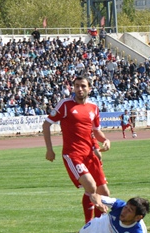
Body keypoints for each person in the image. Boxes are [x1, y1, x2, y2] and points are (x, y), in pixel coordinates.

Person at [43, 76, 112, 223]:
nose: (79, 89)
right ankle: (89, 225)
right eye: (76, 86)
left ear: (89, 89)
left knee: (104, 192)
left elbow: (96, 131)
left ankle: (98, 225)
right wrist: (49, 149)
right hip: (73, 154)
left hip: (90, 154)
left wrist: (105, 140)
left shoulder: (93, 107)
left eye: (83, 86)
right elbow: (46, 124)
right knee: (91, 186)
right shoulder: (66, 105)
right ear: (73, 88)